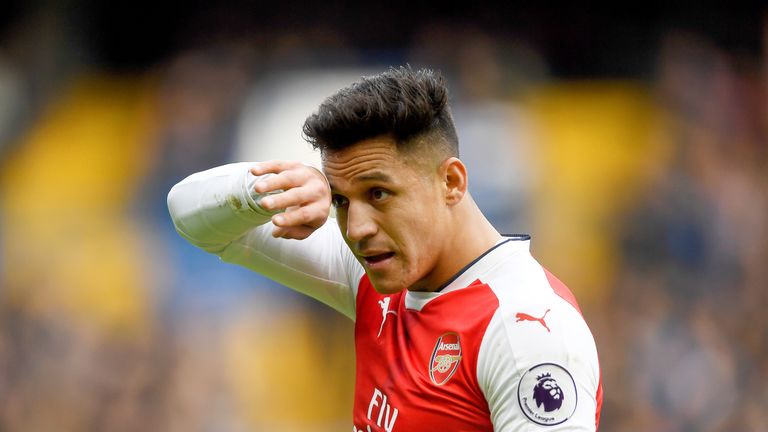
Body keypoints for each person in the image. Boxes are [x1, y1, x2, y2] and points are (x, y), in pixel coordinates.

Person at [167, 66, 603, 431]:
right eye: (341, 200)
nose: (355, 228)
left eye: (378, 194)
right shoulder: (377, 277)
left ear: (450, 182)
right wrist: (265, 188)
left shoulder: (523, 331)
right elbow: (192, 219)